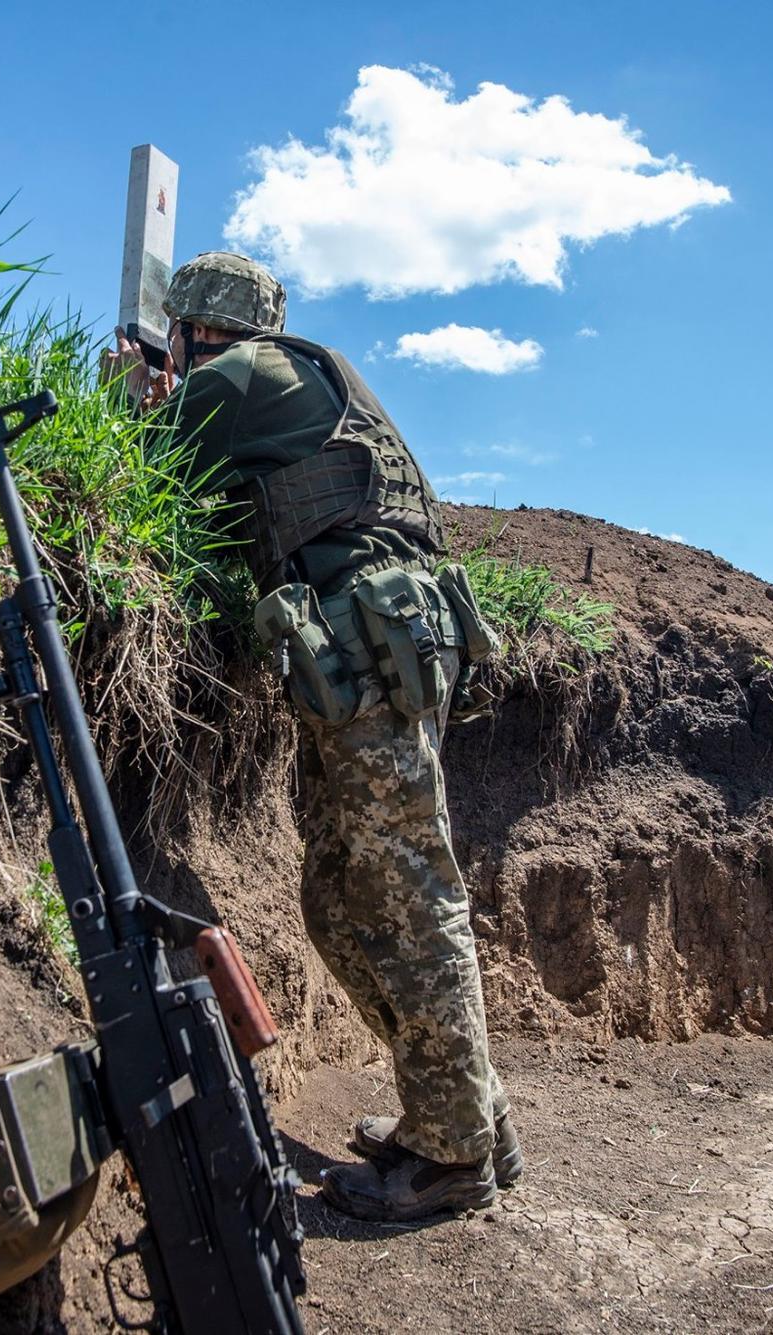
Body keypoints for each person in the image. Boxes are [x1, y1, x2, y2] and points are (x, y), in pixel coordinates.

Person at [107, 251, 522, 1222]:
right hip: (375, 640)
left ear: (190, 326)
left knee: (405, 889)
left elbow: (147, 469)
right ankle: (460, 1111)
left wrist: (138, 395)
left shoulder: (242, 375)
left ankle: (452, 1153)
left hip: (366, 636)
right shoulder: (297, 371)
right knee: (336, 896)